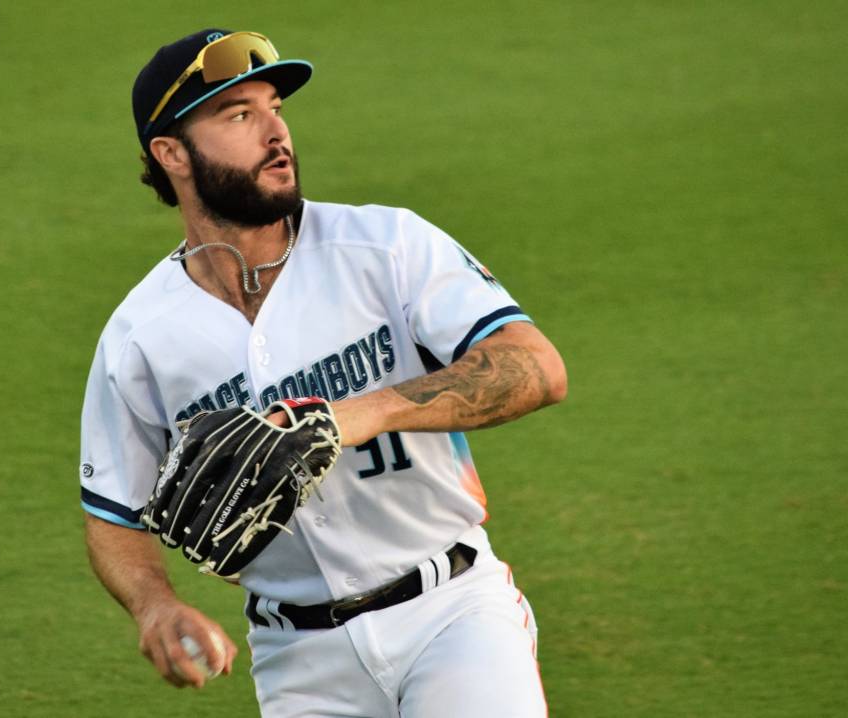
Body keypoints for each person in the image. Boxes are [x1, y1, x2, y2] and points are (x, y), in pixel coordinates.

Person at [79, 28, 567, 717]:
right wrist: (154, 608)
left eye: (275, 107)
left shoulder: (384, 246)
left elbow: (534, 368)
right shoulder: (141, 337)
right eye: (239, 115)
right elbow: (111, 511)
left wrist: (357, 414)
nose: (276, 133)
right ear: (170, 154)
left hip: (452, 617)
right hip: (298, 662)